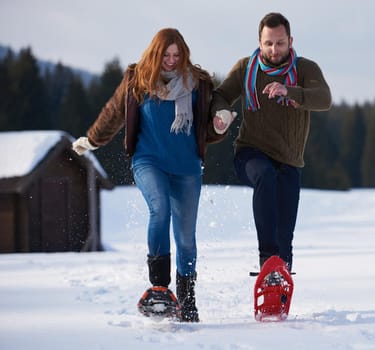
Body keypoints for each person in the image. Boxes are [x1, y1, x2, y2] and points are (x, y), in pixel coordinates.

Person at [72, 28, 225, 322]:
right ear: (155, 53)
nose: (171, 60)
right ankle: (159, 288)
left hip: (187, 167)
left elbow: (208, 125)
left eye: (177, 55)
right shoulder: (137, 79)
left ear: (184, 55)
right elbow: (114, 112)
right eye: (166, 55)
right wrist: (92, 140)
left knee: (186, 238)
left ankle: (188, 301)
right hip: (148, 161)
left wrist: (219, 125)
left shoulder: (198, 83)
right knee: (160, 210)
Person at [212, 12, 332, 272]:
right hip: (250, 154)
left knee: (285, 238)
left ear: (290, 40)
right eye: (268, 43)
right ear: (259, 41)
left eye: (280, 43)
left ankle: (280, 279)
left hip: (289, 159)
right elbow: (220, 95)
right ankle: (267, 261)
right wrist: (220, 114)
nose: (274, 49)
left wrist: (289, 91)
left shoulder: (305, 69)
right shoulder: (246, 68)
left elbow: (323, 98)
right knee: (265, 175)